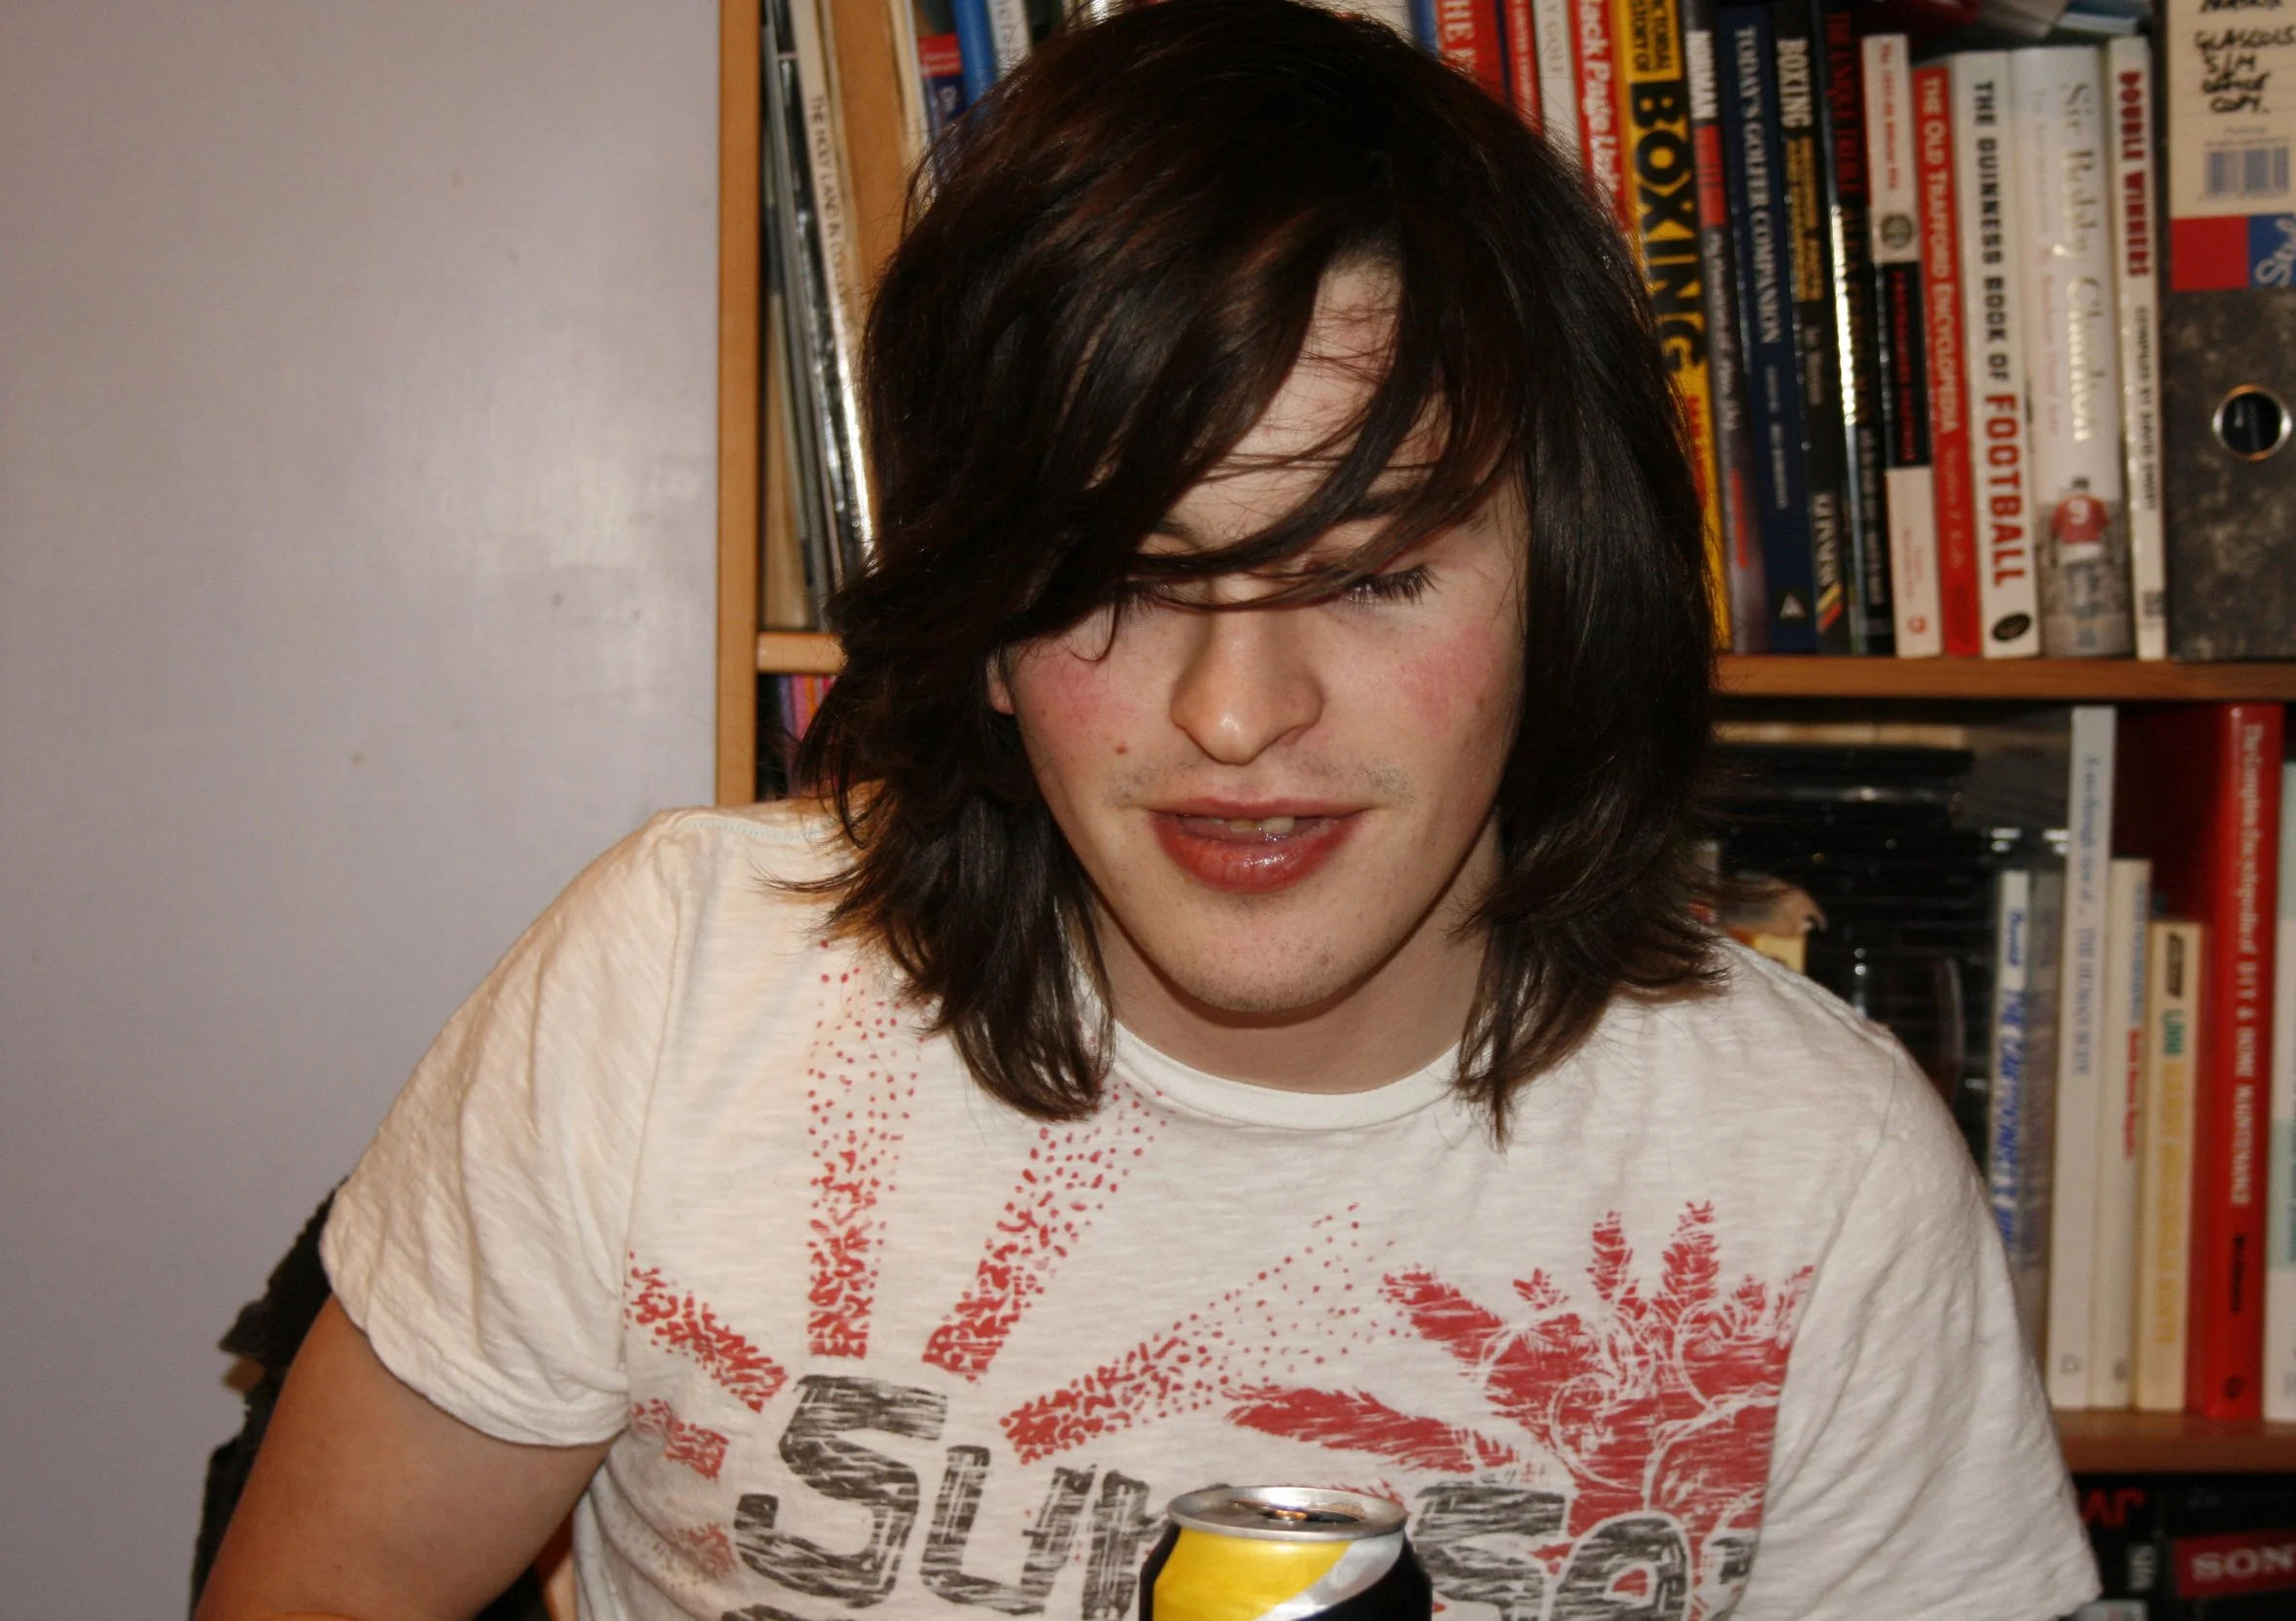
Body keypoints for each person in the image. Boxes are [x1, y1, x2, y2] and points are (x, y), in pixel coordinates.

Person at [197, 4, 2099, 1619]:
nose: (1235, 713)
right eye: (1120, 573)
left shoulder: (1818, 1172)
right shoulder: (677, 991)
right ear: (985, 623)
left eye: (1372, 572)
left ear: (1564, 592)